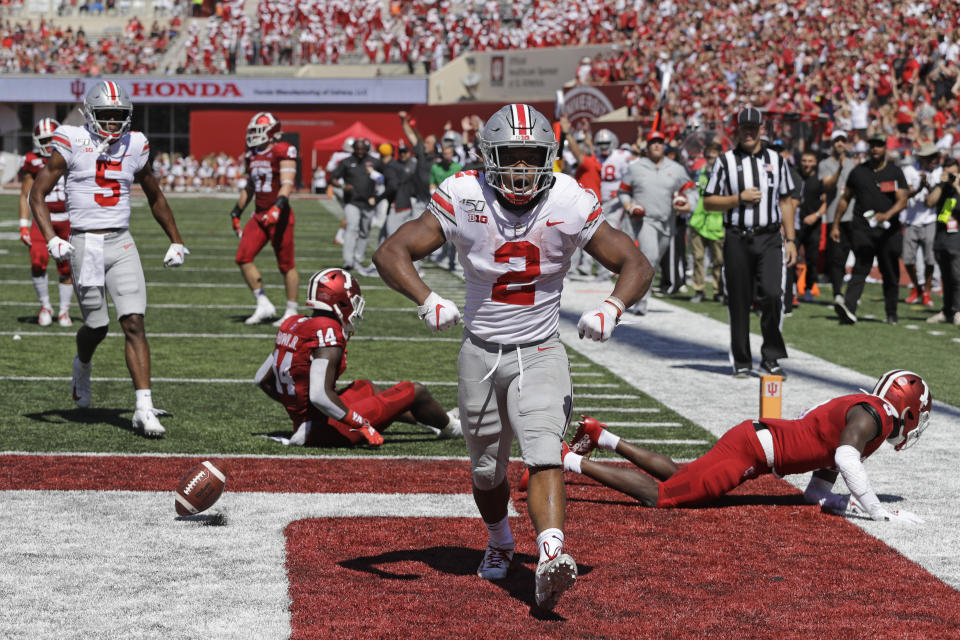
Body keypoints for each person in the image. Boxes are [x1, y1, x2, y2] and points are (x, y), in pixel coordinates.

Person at [372, 103, 653, 611]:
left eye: (532, 157)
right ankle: (500, 539)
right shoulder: (464, 193)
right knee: (485, 473)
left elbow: (634, 260)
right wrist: (426, 298)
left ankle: (550, 556)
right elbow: (391, 251)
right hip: (479, 352)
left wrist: (614, 307)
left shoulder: (567, 197)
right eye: (512, 157)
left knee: (544, 448)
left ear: (549, 158)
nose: (522, 169)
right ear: (488, 156)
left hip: (540, 348)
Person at [561, 370, 931, 525]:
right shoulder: (875, 416)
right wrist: (877, 511)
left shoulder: (866, 416)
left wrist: (841, 501)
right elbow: (845, 456)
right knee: (666, 496)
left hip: (755, 441)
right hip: (753, 449)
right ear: (908, 407)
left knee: (682, 476)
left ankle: (601, 436)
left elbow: (814, 493)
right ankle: (569, 459)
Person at [29, 80, 186, 438]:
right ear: (89, 114)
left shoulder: (136, 143)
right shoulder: (70, 139)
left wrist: (176, 240)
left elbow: (155, 194)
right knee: (97, 327)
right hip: (85, 244)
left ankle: (143, 408)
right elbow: (37, 194)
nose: (114, 122)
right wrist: (51, 239)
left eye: (119, 115)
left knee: (133, 322)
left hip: (122, 242)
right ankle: (82, 364)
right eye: (106, 115)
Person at [253, 268, 462, 446]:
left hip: (310, 420)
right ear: (339, 301)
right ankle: (453, 428)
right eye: (351, 300)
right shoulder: (328, 331)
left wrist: (296, 406)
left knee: (365, 388)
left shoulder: (294, 323)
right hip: (322, 429)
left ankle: (431, 422)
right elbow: (319, 395)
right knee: (414, 391)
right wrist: (360, 423)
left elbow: (262, 379)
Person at [703, 107, 798, 379]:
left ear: (762, 129)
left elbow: (786, 200)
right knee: (739, 300)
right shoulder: (725, 161)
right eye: (744, 127)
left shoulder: (776, 160)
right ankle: (742, 359)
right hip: (737, 237)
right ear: (736, 129)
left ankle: (771, 355)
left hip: (769, 237)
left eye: (753, 127)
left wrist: (790, 239)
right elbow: (709, 201)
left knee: (771, 294)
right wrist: (738, 199)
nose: (748, 131)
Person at [230, 112, 300, 326]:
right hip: (259, 215)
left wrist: (277, 208)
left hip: (279, 215)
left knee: (286, 265)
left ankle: (291, 310)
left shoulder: (282, 150)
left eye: (257, 131)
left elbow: (287, 183)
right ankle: (263, 304)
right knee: (243, 257)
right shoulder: (252, 155)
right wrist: (236, 212)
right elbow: (250, 187)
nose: (253, 136)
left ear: (270, 132)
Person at [830, 133, 908, 325]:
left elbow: (902, 200)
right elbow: (845, 199)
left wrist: (887, 215)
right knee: (861, 266)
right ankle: (848, 308)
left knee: (889, 271)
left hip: (889, 230)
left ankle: (891, 313)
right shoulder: (858, 172)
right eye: (872, 145)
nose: (875, 148)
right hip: (863, 228)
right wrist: (836, 224)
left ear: (885, 148)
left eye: (879, 145)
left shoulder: (895, 172)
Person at [618, 129, 699, 314]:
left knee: (655, 260)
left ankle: (639, 294)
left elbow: (691, 190)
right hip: (645, 220)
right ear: (647, 146)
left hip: (667, 221)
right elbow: (623, 192)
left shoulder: (676, 169)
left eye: (660, 142)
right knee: (650, 257)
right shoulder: (635, 168)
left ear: (664, 146)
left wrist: (688, 204)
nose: (656, 145)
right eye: (653, 142)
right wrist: (629, 205)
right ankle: (641, 301)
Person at [18, 117, 73, 327]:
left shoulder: (69, 156)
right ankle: (45, 306)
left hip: (67, 219)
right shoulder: (32, 160)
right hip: (42, 220)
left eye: (52, 138)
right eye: (44, 139)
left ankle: (64, 311)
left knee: (67, 267)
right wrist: (23, 223)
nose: (49, 143)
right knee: (37, 262)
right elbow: (25, 194)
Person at [329, 138, 383, 272]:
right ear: (353, 149)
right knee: (351, 228)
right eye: (357, 149)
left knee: (365, 231)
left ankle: (358, 259)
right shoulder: (346, 162)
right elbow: (332, 178)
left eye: (362, 149)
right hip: (352, 201)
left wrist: (377, 196)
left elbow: (385, 178)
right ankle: (348, 261)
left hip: (368, 201)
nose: (359, 152)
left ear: (366, 149)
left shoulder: (375, 162)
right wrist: (342, 186)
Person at [819, 130, 857, 307]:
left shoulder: (853, 164)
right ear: (832, 144)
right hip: (834, 217)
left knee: (859, 255)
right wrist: (840, 168)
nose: (840, 144)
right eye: (837, 141)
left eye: (843, 140)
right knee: (836, 258)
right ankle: (837, 292)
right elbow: (828, 185)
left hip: (853, 215)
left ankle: (853, 292)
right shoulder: (825, 164)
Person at [901, 143, 940, 308]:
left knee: (929, 259)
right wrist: (919, 189)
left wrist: (928, 187)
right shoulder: (909, 171)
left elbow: (938, 196)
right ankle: (916, 287)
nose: (935, 160)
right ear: (922, 158)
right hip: (911, 219)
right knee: (908, 259)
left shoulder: (939, 173)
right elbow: (903, 193)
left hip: (930, 219)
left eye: (935, 157)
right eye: (931, 157)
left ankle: (926, 291)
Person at [687, 141, 725, 304]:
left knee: (719, 260)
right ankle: (699, 289)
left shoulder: (725, 174)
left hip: (717, 220)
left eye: (714, 154)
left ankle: (718, 290)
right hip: (699, 219)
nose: (710, 158)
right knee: (698, 258)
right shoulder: (699, 172)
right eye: (708, 154)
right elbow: (692, 191)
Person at [924, 157, 960, 326]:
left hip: (957, 240)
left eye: (952, 172)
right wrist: (941, 184)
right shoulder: (943, 189)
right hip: (941, 239)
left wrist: (957, 186)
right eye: (947, 172)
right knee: (946, 277)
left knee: (957, 277)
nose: (950, 176)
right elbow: (930, 202)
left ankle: (958, 311)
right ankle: (947, 311)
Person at [792, 149, 827, 304]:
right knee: (790, 256)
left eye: (810, 161)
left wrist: (816, 215)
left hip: (813, 225)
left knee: (812, 258)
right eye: (804, 160)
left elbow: (827, 201)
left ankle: (808, 288)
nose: (806, 164)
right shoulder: (795, 175)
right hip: (795, 224)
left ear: (815, 162)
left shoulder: (820, 178)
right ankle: (791, 287)